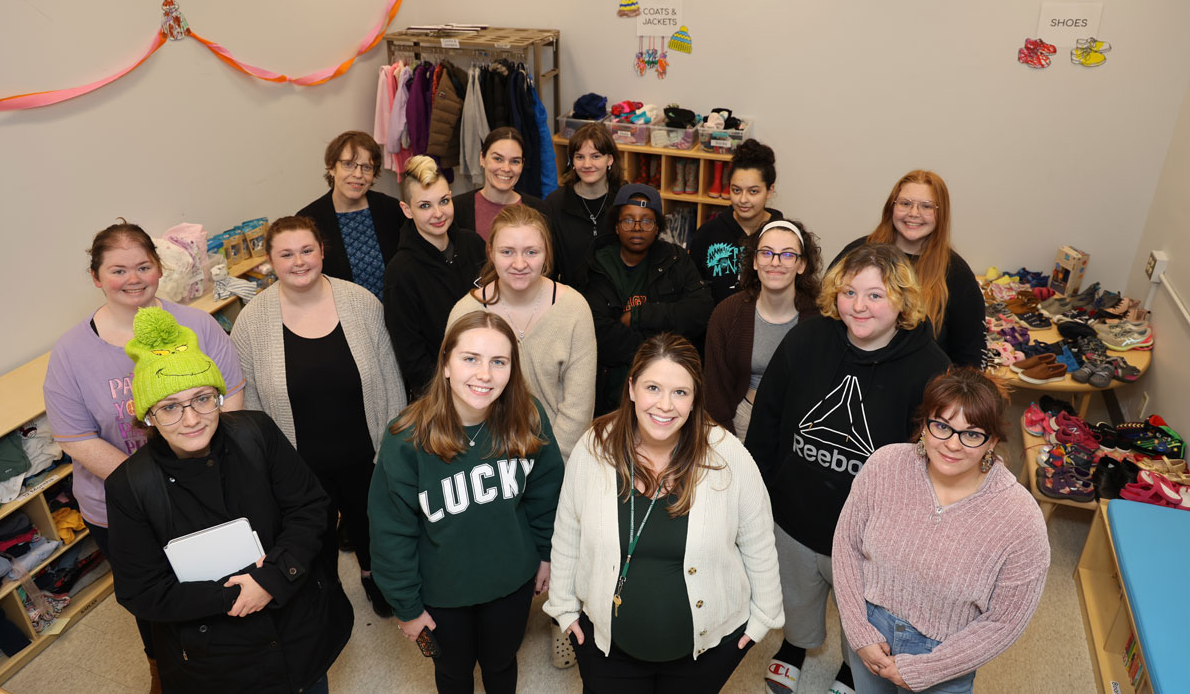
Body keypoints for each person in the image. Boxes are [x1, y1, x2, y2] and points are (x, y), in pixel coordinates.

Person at [104, 307, 353, 693]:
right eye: (170, 407)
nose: (191, 420)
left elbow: (310, 508)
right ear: (148, 417)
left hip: (297, 630)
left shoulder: (256, 433)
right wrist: (235, 594)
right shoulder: (130, 486)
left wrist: (271, 579)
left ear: (218, 396)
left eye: (202, 398)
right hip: (216, 661)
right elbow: (142, 591)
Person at [42, 221, 245, 690]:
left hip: (208, 487)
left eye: (143, 266)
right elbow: (75, 437)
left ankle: (235, 657)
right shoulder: (71, 353)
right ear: (96, 277)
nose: (133, 279)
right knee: (154, 598)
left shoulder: (196, 325)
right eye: (118, 270)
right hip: (120, 507)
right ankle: (164, 668)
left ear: (158, 269)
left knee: (218, 580)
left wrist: (196, 476)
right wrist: (154, 487)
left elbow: (230, 396)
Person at [745, 243, 950, 694]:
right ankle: (795, 647)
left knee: (865, 613)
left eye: (875, 295)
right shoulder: (807, 338)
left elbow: (934, 463)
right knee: (795, 597)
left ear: (902, 301)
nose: (859, 306)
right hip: (794, 514)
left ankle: (849, 667)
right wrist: (760, 489)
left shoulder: (931, 368)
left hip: (869, 534)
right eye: (849, 291)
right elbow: (769, 417)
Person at [545, 333, 784, 692]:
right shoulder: (594, 448)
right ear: (631, 389)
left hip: (705, 653)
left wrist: (764, 617)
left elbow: (758, 539)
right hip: (606, 649)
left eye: (680, 392)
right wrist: (563, 607)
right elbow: (568, 530)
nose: (665, 405)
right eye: (653, 387)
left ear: (694, 400)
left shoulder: (727, 455)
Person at [369, 311, 564, 694]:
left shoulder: (528, 418)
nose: (484, 374)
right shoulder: (406, 437)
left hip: (512, 581)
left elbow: (546, 494)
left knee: (502, 664)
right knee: (454, 674)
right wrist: (406, 607)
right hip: (442, 592)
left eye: (499, 362)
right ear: (445, 364)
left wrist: (546, 554)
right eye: (470, 359)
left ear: (512, 369)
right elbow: (391, 532)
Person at [230, 215, 407, 618]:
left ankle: (372, 576)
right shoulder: (252, 323)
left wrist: (396, 443)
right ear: (270, 261)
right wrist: (264, 467)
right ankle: (324, 594)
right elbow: (251, 403)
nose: (299, 261)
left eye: (307, 250)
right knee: (314, 540)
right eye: (286, 254)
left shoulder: (361, 302)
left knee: (372, 528)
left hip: (367, 453)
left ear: (322, 251)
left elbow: (390, 378)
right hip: (298, 466)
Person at [833, 367, 1050, 693]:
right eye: (942, 427)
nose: (953, 445)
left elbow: (1005, 621)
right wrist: (858, 631)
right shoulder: (884, 466)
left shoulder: (1021, 520)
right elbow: (846, 545)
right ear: (924, 426)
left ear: (991, 441)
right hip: (870, 631)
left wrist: (928, 669)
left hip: (947, 655)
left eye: (972, 433)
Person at [447, 204, 595, 459]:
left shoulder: (574, 310)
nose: (519, 263)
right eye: (507, 252)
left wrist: (548, 469)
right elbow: (454, 398)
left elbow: (577, 409)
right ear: (491, 252)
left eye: (531, 252)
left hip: (556, 460)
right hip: (482, 459)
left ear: (547, 254)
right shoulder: (466, 312)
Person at [830, 170, 983, 367]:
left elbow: (969, 356)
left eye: (926, 206)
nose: (914, 213)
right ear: (891, 207)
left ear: (941, 213)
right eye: (905, 203)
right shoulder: (856, 254)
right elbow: (826, 318)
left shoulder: (956, 273)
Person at [583, 183, 712, 415]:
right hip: (608, 394)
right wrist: (657, 348)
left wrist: (639, 315)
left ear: (657, 228)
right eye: (628, 220)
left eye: (646, 221)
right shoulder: (595, 265)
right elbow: (598, 332)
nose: (637, 227)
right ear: (616, 226)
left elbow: (700, 311)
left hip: (668, 389)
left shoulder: (676, 260)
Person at [704, 219, 821, 441]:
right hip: (741, 422)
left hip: (802, 427)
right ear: (755, 261)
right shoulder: (728, 314)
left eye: (787, 255)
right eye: (766, 253)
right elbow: (716, 393)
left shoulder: (821, 318)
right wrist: (726, 445)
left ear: (802, 264)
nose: (775, 262)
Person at [384, 155, 486, 399]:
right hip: (441, 396)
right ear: (407, 210)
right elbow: (412, 357)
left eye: (444, 201)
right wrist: (450, 394)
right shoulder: (401, 272)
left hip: (489, 379)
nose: (438, 213)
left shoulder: (474, 245)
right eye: (425, 206)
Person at [296, 130, 406, 297]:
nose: (358, 175)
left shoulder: (390, 209)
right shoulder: (309, 220)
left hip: (395, 311)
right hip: (342, 316)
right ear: (331, 167)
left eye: (367, 167)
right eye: (348, 164)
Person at [690, 140, 785, 304]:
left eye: (753, 191)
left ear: (769, 191)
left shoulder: (785, 237)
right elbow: (692, 293)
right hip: (715, 326)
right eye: (736, 190)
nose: (743, 200)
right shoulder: (707, 234)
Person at [544, 123, 625, 288]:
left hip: (619, 299)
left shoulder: (624, 199)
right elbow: (548, 263)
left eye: (595, 156)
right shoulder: (555, 203)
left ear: (609, 159)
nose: (587, 164)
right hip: (571, 298)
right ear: (572, 161)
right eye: (579, 157)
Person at [449, 127, 550, 240]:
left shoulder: (540, 210)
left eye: (515, 161)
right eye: (498, 159)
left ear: (522, 164)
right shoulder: (456, 209)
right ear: (482, 158)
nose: (506, 168)